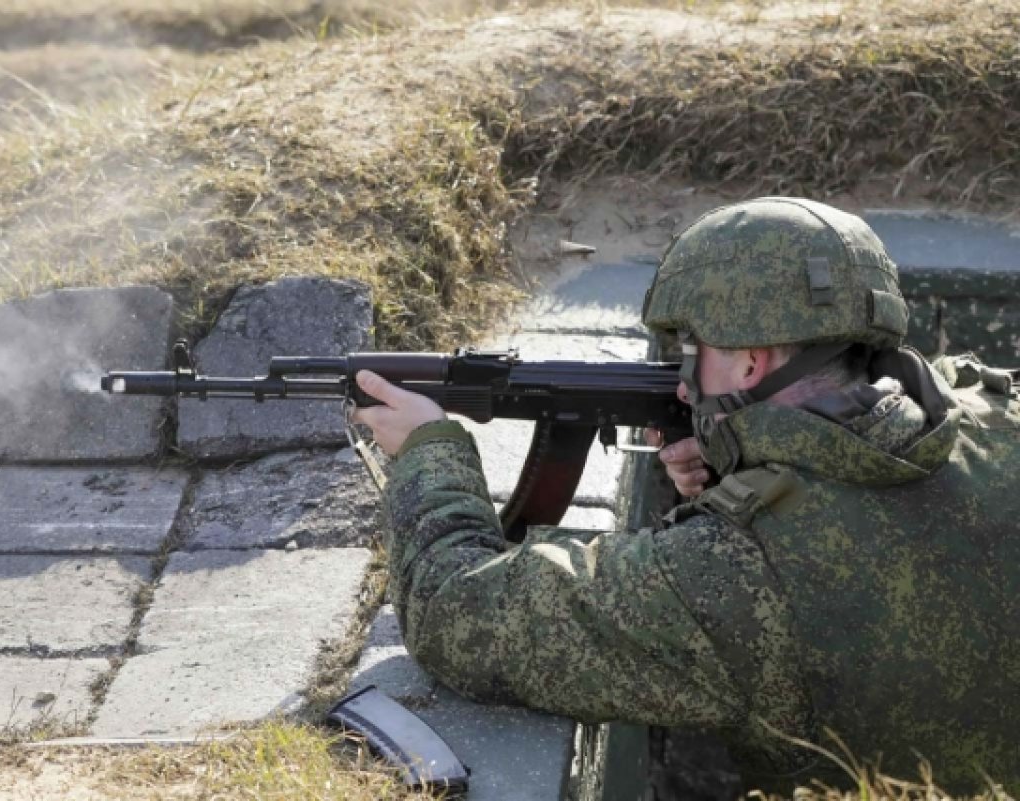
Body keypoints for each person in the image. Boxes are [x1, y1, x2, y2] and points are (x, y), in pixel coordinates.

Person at [351, 196, 1020, 795]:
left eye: (690, 348)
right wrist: (750, 467)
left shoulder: (729, 575)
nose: (679, 382)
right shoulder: (1001, 419)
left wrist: (430, 447)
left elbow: (453, 608)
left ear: (751, 362)